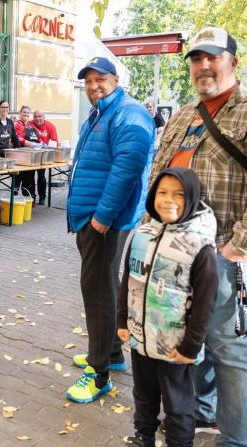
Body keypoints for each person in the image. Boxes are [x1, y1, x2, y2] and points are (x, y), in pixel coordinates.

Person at [149, 27, 247, 447]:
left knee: (231, 350)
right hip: (178, 253)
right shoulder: (184, 115)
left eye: (212, 57)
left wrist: (237, 246)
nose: (203, 66)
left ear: (232, 60)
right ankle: (201, 412)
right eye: (196, 58)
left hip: (227, 252)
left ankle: (238, 442)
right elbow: (160, 173)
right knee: (194, 338)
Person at [64, 56, 155, 404]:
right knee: (103, 287)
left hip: (103, 221)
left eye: (100, 79)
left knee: (97, 293)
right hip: (94, 217)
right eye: (87, 81)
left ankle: (98, 372)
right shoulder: (103, 112)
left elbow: (126, 170)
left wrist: (101, 218)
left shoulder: (128, 114)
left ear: (115, 80)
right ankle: (112, 353)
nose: (93, 86)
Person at [119, 167, 218, 447]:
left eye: (178, 194)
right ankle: (143, 437)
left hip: (176, 345)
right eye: (162, 193)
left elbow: (205, 303)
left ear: (193, 198)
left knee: (177, 402)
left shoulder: (200, 246)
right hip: (141, 336)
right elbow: (128, 279)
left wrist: (190, 347)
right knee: (144, 394)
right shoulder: (142, 235)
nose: (168, 200)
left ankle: (179, 444)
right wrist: (122, 321)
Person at [30, 110, 59, 204]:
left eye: (40, 116)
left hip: (44, 155)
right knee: (30, 176)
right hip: (31, 154)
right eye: (36, 117)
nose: (38, 118)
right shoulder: (29, 124)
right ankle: (32, 197)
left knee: (41, 175)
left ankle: (42, 197)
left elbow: (54, 141)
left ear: (44, 117)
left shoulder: (50, 126)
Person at [14, 105, 40, 200]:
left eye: (28, 113)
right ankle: (14, 201)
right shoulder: (17, 124)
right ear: (20, 113)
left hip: (30, 156)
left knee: (29, 179)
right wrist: (32, 144)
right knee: (18, 179)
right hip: (20, 156)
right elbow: (18, 138)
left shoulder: (30, 125)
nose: (26, 114)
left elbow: (38, 138)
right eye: (24, 112)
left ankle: (29, 199)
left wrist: (40, 144)